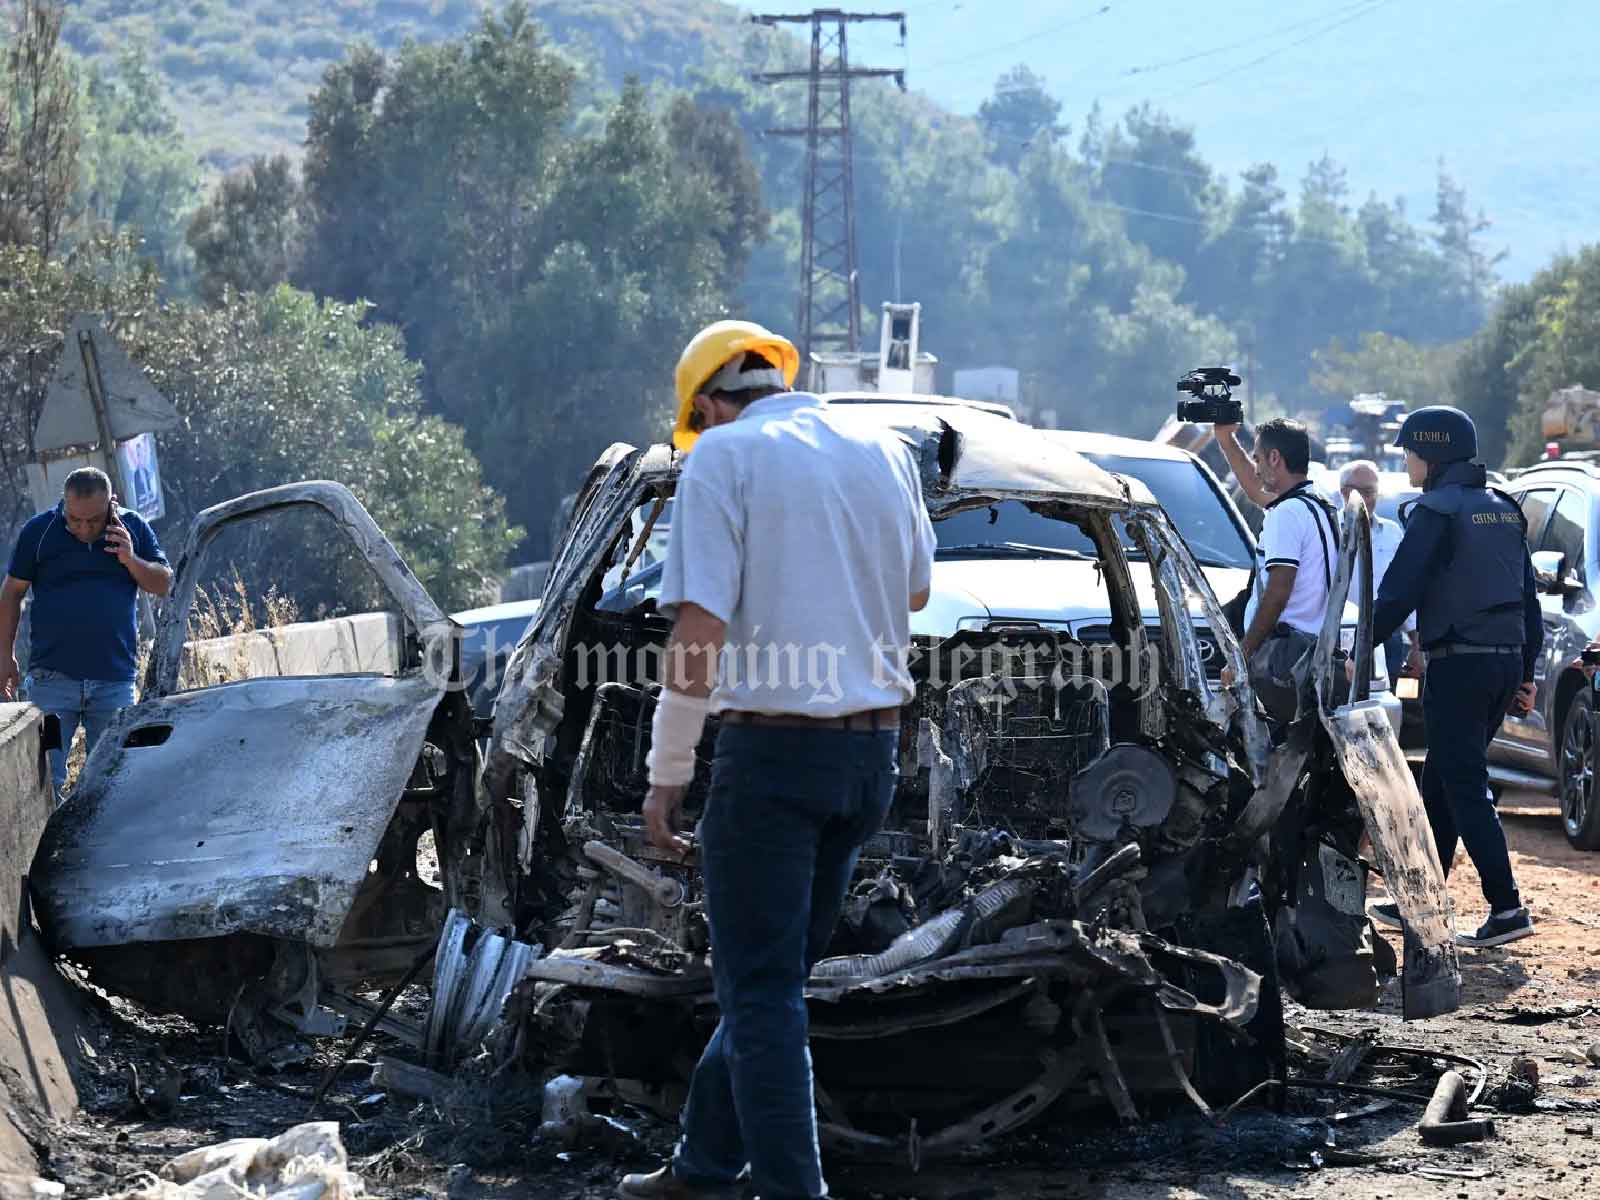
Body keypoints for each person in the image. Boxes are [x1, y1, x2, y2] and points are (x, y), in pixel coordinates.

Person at [618, 320, 934, 1200]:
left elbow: (698, 632)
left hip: (773, 759)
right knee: (776, 981)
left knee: (759, 993)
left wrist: (667, 771)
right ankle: (702, 1168)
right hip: (872, 756)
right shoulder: (883, 446)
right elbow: (916, 588)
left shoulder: (724, 458)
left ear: (710, 406)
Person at [1366, 406, 1540, 948]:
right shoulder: (1503, 509)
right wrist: (1526, 672)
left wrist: (1351, 647)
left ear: (1432, 454)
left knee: (1462, 783)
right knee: (1442, 779)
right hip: (1502, 659)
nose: (1405, 459)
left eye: (1409, 450)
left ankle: (1507, 908)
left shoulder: (1434, 511)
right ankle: (1421, 899)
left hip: (1460, 664)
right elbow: (1528, 601)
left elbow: (1399, 592)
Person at [0, 467, 172, 797]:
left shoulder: (132, 527)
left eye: (92, 520)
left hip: (114, 683)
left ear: (111, 504)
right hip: (52, 683)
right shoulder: (40, 531)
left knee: (113, 783)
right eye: (74, 519)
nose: (82, 527)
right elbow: (11, 593)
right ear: (64, 504)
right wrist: (4, 655)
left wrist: (130, 559)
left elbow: (163, 584)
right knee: (45, 785)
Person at [1216, 418, 1340, 726]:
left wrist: (1243, 652)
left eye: (1258, 458)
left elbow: (1278, 591)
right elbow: (1257, 490)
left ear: (1275, 458)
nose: (1255, 468)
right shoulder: (1316, 502)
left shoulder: (1288, 513)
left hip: (1283, 660)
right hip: (1311, 653)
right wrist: (1226, 440)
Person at [1338, 459, 1422, 683]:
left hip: (1387, 639)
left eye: (1371, 492)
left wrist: (1416, 642)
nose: (1366, 499)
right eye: (1360, 491)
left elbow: (1406, 588)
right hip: (1341, 637)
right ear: (1344, 492)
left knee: (1387, 707)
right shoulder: (1329, 530)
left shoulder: (1392, 532)